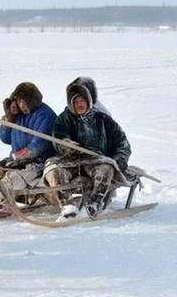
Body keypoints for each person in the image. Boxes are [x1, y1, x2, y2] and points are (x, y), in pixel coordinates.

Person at [43, 84, 131, 219]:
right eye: (76, 102)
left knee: (106, 167)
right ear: (71, 104)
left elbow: (122, 143)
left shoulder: (103, 120)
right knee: (53, 171)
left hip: (95, 159)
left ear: (88, 101)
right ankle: (67, 205)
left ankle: (94, 203)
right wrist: (66, 145)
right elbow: (58, 138)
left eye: (82, 101)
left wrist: (120, 158)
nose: (80, 104)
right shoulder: (63, 119)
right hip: (68, 160)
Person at [0, 82, 57, 214]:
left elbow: (38, 145)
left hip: (38, 162)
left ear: (32, 101)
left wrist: (16, 158)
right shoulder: (17, 115)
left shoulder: (45, 115)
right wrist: (9, 119)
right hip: (17, 160)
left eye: (24, 102)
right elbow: (5, 138)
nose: (21, 105)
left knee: (11, 179)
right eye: (18, 101)